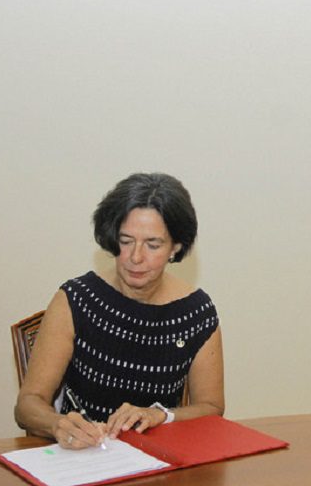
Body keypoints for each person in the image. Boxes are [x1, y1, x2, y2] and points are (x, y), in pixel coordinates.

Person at [15, 173, 224, 449]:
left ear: (176, 247)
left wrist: (161, 415)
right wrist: (57, 424)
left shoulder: (196, 314)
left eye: (153, 245)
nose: (136, 257)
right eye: (126, 241)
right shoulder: (77, 299)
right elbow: (27, 406)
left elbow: (211, 408)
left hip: (155, 458)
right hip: (82, 454)